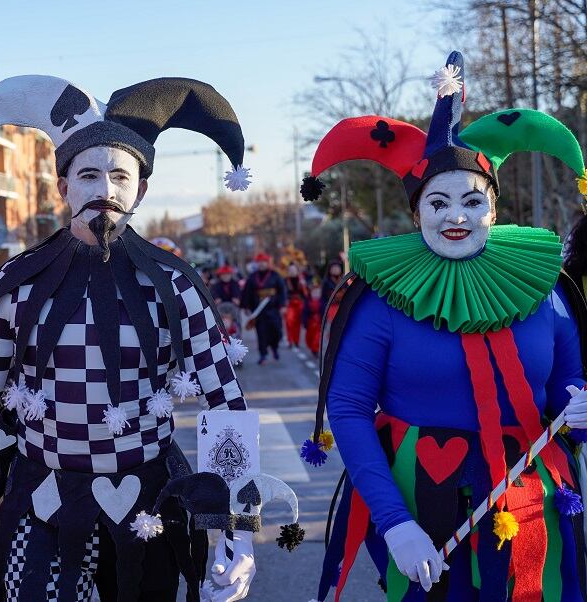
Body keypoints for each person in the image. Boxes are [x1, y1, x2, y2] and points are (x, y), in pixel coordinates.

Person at [0, 75, 266, 602]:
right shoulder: (16, 285)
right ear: (62, 186)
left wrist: (237, 527)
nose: (105, 191)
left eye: (120, 175)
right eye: (88, 174)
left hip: (150, 509)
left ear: (141, 189)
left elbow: (225, 405)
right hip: (41, 503)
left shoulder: (176, 284)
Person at [301, 52, 587, 600]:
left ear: (494, 209)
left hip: (533, 503)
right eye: (438, 201)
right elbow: (350, 408)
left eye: (472, 201)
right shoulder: (382, 297)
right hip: (419, 498)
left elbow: (569, 399)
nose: (456, 215)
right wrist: (394, 521)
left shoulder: (546, 287)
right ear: (415, 214)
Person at [240, 253, 286, 364]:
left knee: (276, 331)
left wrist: (283, 305)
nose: (262, 264)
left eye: (264, 262)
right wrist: (245, 306)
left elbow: (282, 291)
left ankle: (274, 348)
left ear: (267, 263)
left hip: (273, 309)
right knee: (261, 333)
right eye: (259, 262)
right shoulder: (252, 277)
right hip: (259, 311)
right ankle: (263, 355)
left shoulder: (275, 275)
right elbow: (247, 292)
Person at [283, 262, 308, 348]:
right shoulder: (285, 280)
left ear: (297, 271)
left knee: (298, 323)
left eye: (294, 270)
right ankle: (290, 340)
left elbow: (306, 294)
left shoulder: (301, 280)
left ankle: (296, 341)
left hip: (299, 303)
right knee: (289, 322)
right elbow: (283, 293)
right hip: (289, 303)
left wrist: (303, 285)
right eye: (290, 270)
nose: (292, 271)